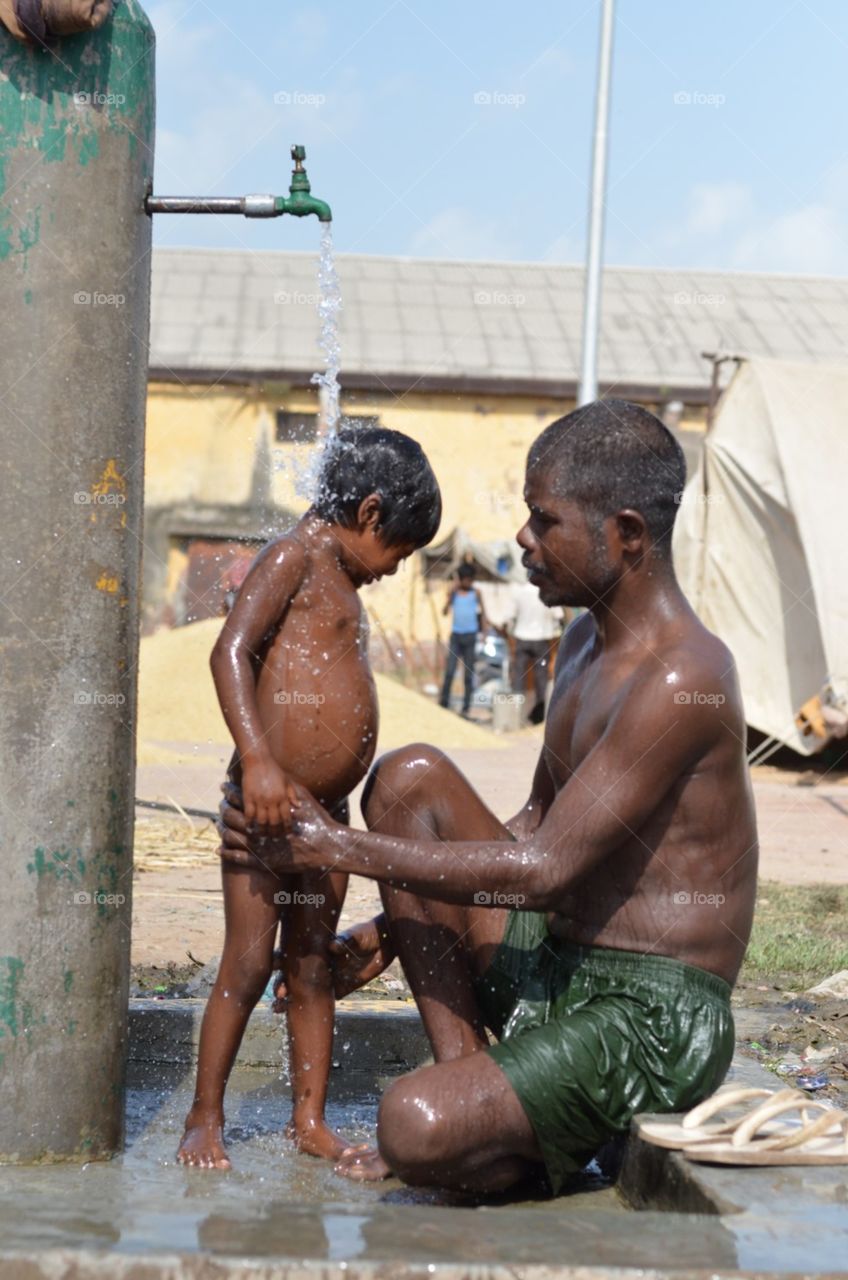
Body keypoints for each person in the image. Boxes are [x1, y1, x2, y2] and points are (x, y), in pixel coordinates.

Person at [219, 399, 758, 1195]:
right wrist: (390, 932)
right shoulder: (582, 644)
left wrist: (331, 847)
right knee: (408, 779)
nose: (523, 540)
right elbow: (532, 824)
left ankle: (472, 1125)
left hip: (649, 1013)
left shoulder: (684, 678)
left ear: (627, 537)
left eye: (546, 522)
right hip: (557, 962)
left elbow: (540, 869)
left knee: (412, 1124)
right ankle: (476, 1086)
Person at [177, 425, 441, 1170]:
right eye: (400, 551)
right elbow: (228, 648)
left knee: (312, 966)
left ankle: (310, 1120)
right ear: (368, 513)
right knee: (248, 964)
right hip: (264, 814)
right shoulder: (293, 557)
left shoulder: (345, 578)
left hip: (325, 822)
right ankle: (205, 1116)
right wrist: (259, 762)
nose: (395, 571)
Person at [506, 579, 564, 723]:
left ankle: (515, 716)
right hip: (541, 641)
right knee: (541, 678)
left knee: (519, 677)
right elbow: (559, 616)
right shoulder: (546, 591)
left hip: (521, 639)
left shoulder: (519, 592)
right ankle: (538, 717)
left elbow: (511, 617)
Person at [439, 563, 487, 716]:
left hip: (470, 637)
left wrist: (484, 633)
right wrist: (450, 596)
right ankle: (443, 703)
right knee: (450, 671)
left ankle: (466, 708)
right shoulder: (454, 593)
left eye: (470, 580)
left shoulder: (476, 593)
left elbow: (484, 614)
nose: (468, 583)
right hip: (456, 637)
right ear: (460, 579)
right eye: (465, 580)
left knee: (468, 674)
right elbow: (445, 612)